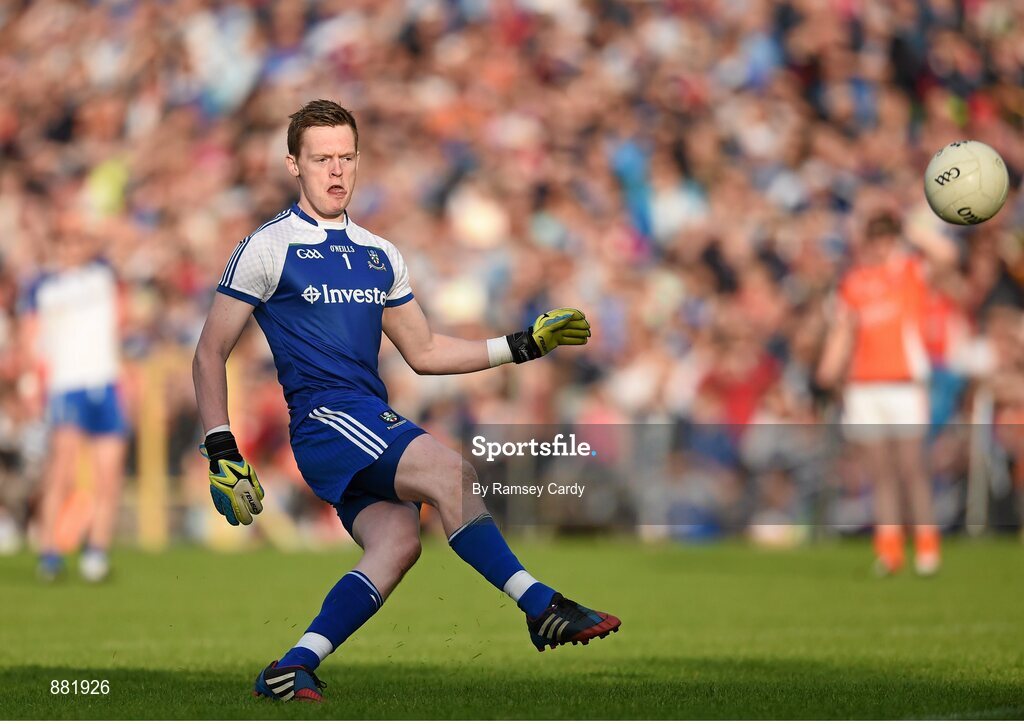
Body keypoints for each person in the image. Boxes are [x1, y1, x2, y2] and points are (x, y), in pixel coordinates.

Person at [192, 100, 620, 702]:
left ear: (359, 161)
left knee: (398, 545)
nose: (335, 171)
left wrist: (518, 345)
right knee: (452, 473)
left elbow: (423, 350)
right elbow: (209, 351)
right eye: (321, 159)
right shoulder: (269, 247)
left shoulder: (379, 252)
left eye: (345, 157)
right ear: (294, 164)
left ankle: (290, 667)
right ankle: (540, 605)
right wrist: (221, 448)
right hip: (327, 419)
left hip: (363, 417)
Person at [817, 208, 955, 577]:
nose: (879, 245)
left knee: (911, 468)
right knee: (880, 474)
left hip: (904, 383)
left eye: (885, 237)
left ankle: (927, 548)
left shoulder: (910, 271)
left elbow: (946, 255)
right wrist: (829, 367)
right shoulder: (855, 281)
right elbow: (844, 331)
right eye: (874, 237)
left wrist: (910, 228)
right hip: (864, 386)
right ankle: (889, 550)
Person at [22, 208, 128, 582]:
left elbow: (120, 235)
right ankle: (50, 551)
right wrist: (32, 386)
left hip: (106, 382)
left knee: (108, 475)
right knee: (61, 473)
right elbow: (30, 341)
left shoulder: (102, 275)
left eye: (78, 239)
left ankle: (96, 551)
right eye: (66, 240)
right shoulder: (42, 288)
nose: (72, 247)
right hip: (67, 386)